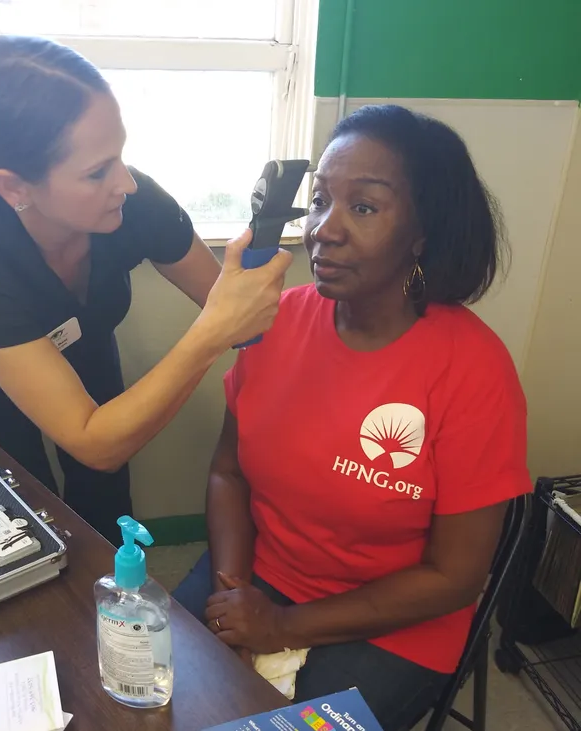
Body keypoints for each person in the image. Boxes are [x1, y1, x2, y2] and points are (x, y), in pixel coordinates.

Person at [173, 105, 531, 730]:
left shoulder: (474, 372)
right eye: (319, 201)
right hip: (261, 573)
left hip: (394, 624)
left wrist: (282, 627)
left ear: (423, 231)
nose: (323, 230)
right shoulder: (276, 321)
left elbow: (453, 578)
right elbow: (230, 471)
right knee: (146, 698)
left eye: (363, 207)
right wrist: (234, 590)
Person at [0, 35, 291, 545]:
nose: (126, 183)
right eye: (96, 171)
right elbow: (94, 440)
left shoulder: (132, 200)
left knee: (107, 497)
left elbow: (231, 301)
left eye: (119, 157)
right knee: (16, 507)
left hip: (83, 339)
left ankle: (112, 594)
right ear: (13, 187)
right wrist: (212, 334)